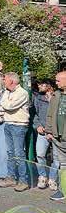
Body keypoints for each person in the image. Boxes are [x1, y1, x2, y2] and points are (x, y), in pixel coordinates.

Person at [0, 72, 30, 192]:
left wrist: (4, 104)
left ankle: (23, 181)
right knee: (10, 152)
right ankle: (11, 178)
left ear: (11, 81)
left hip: (19, 125)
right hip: (8, 123)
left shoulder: (22, 93)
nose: (3, 81)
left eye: (4, 79)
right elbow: (2, 106)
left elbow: (9, 106)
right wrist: (4, 104)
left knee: (19, 153)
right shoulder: (7, 92)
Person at [44, 71, 66, 201]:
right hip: (58, 138)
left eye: (58, 80)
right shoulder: (56, 96)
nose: (56, 83)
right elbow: (50, 115)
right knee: (63, 165)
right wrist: (49, 131)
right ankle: (63, 190)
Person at [33, 79, 58, 190]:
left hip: (56, 133)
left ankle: (52, 178)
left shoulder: (58, 98)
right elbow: (35, 114)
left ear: (49, 86)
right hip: (42, 132)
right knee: (40, 154)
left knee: (56, 158)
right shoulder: (38, 98)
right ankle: (42, 176)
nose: (39, 86)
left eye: (42, 84)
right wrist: (37, 125)